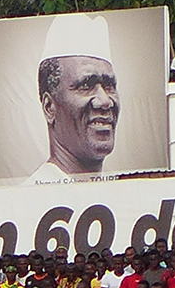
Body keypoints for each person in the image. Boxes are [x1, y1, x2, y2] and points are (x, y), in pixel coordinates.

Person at [32, 14, 119, 182]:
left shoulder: (124, 193)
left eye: (109, 86)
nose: (105, 101)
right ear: (49, 107)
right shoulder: (28, 198)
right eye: (86, 86)